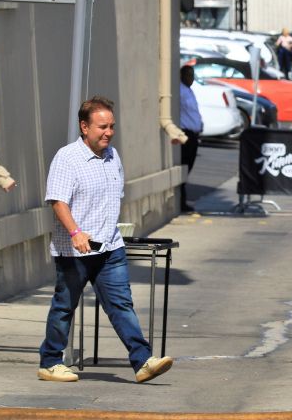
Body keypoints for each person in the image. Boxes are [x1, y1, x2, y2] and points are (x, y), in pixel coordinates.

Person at [39, 96, 174, 383]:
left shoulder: (113, 156)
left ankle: (142, 361)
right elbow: (58, 201)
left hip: (110, 248)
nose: (109, 132)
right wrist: (75, 232)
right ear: (84, 127)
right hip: (75, 251)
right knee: (64, 306)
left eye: (112, 126)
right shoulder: (67, 158)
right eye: (102, 127)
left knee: (121, 304)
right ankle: (50, 362)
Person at [179, 65, 203, 212]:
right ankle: (181, 201)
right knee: (184, 167)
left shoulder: (189, 90)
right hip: (185, 134)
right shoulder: (180, 91)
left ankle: (182, 200)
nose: (191, 78)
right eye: (189, 75)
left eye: (193, 75)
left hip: (194, 135)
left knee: (188, 168)